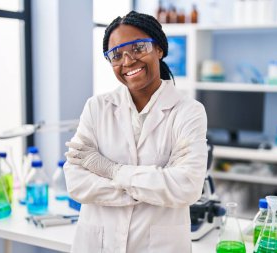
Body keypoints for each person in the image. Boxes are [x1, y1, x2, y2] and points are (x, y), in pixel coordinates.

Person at [64, 11, 208, 253]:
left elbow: (186, 186)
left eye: (138, 48)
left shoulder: (188, 111)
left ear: (159, 49)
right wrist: (148, 190)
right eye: (116, 55)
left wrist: (111, 170)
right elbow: (76, 181)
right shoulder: (96, 107)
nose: (128, 61)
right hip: (98, 244)